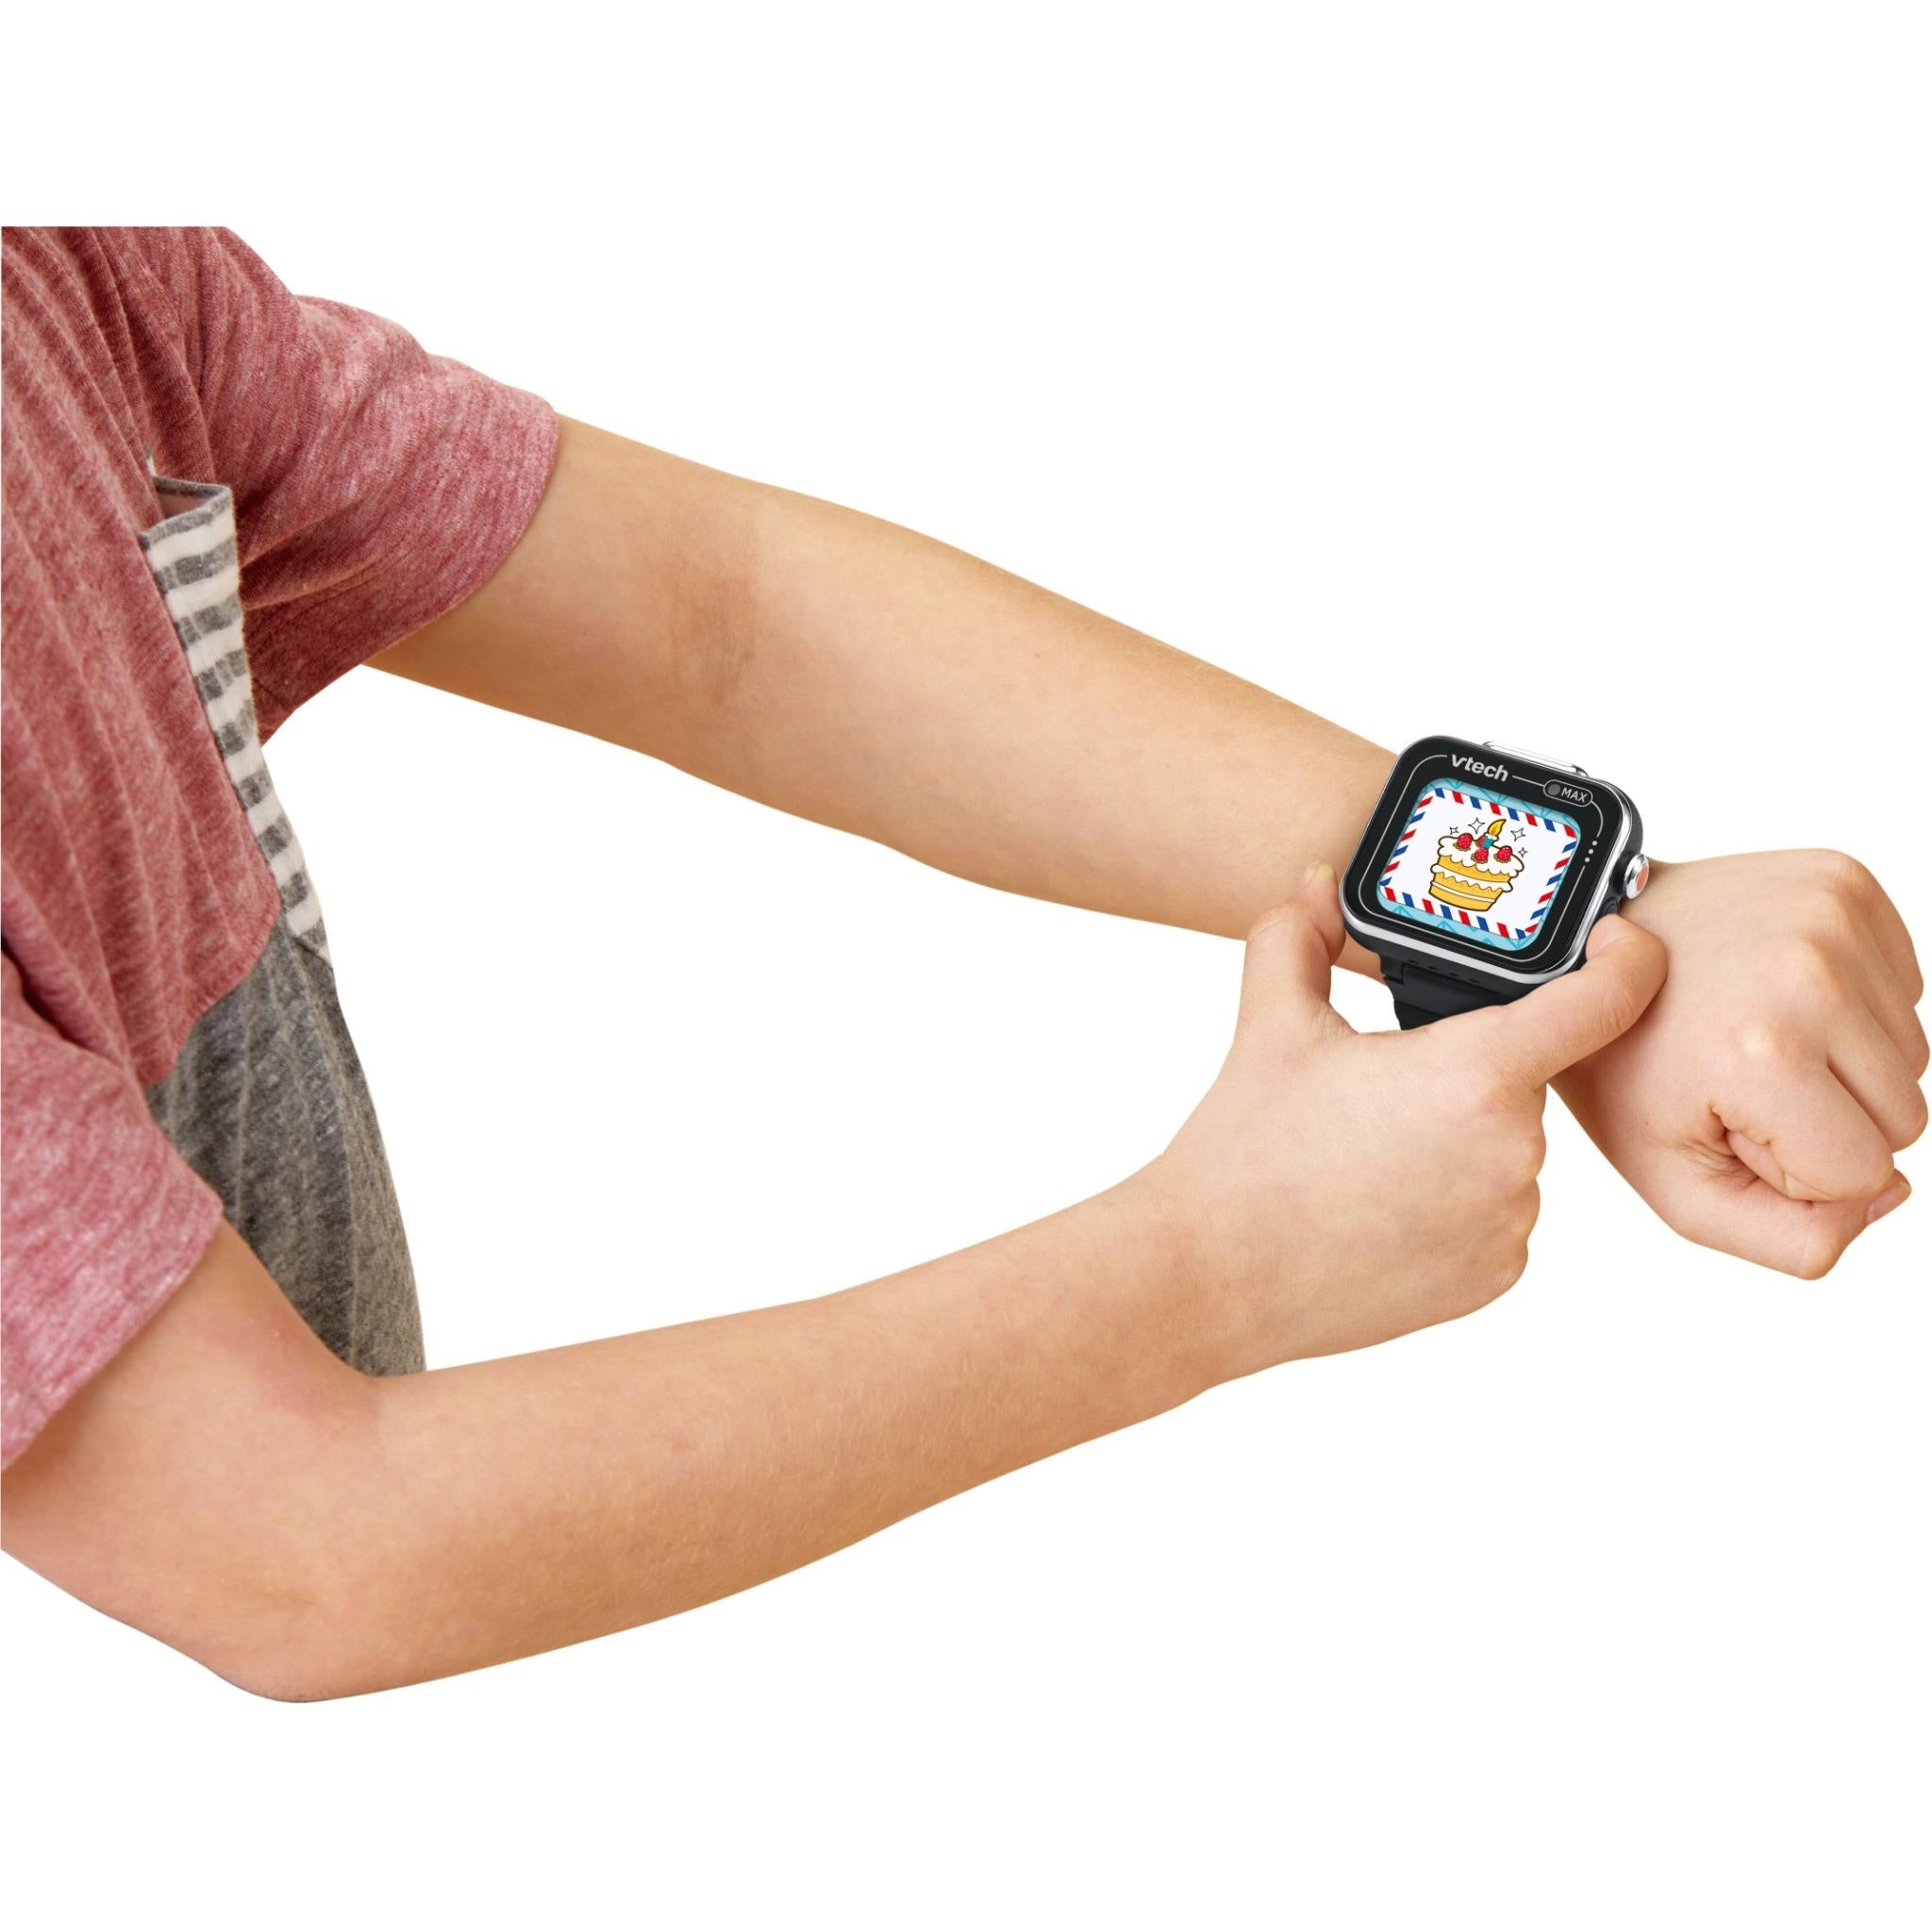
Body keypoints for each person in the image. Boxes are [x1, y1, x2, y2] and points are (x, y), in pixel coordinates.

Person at [2, 227, 1922, 1701]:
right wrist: (1218, 1264)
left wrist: (1587, 933)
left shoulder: (74, 263)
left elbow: (726, 622)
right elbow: (299, 1545)